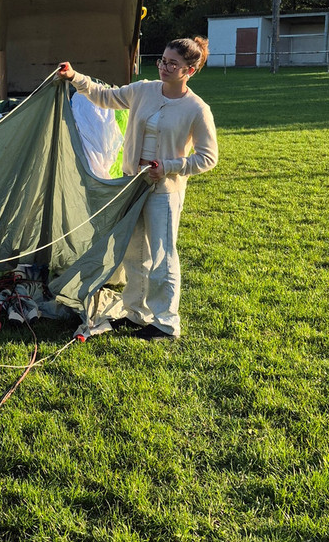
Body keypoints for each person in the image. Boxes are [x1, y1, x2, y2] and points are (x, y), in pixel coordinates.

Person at [58, 37, 218, 340]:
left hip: (165, 190)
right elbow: (104, 96)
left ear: (190, 71)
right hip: (132, 185)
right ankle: (136, 313)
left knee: (162, 256)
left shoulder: (197, 109)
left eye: (173, 64)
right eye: (162, 60)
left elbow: (208, 157)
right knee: (133, 254)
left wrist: (169, 167)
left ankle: (166, 323)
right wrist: (74, 76)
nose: (164, 67)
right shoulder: (143, 89)